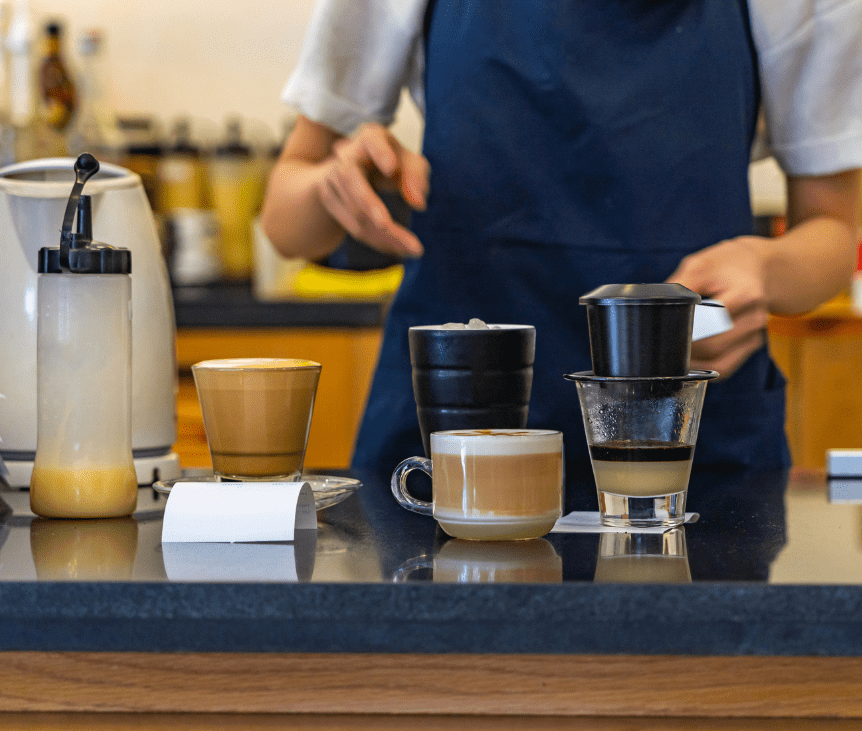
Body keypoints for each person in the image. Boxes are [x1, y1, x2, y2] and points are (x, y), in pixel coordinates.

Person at [261, 0, 862, 498]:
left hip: (688, 445)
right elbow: (287, 222)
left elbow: (835, 229)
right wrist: (332, 185)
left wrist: (769, 269)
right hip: (452, 445)